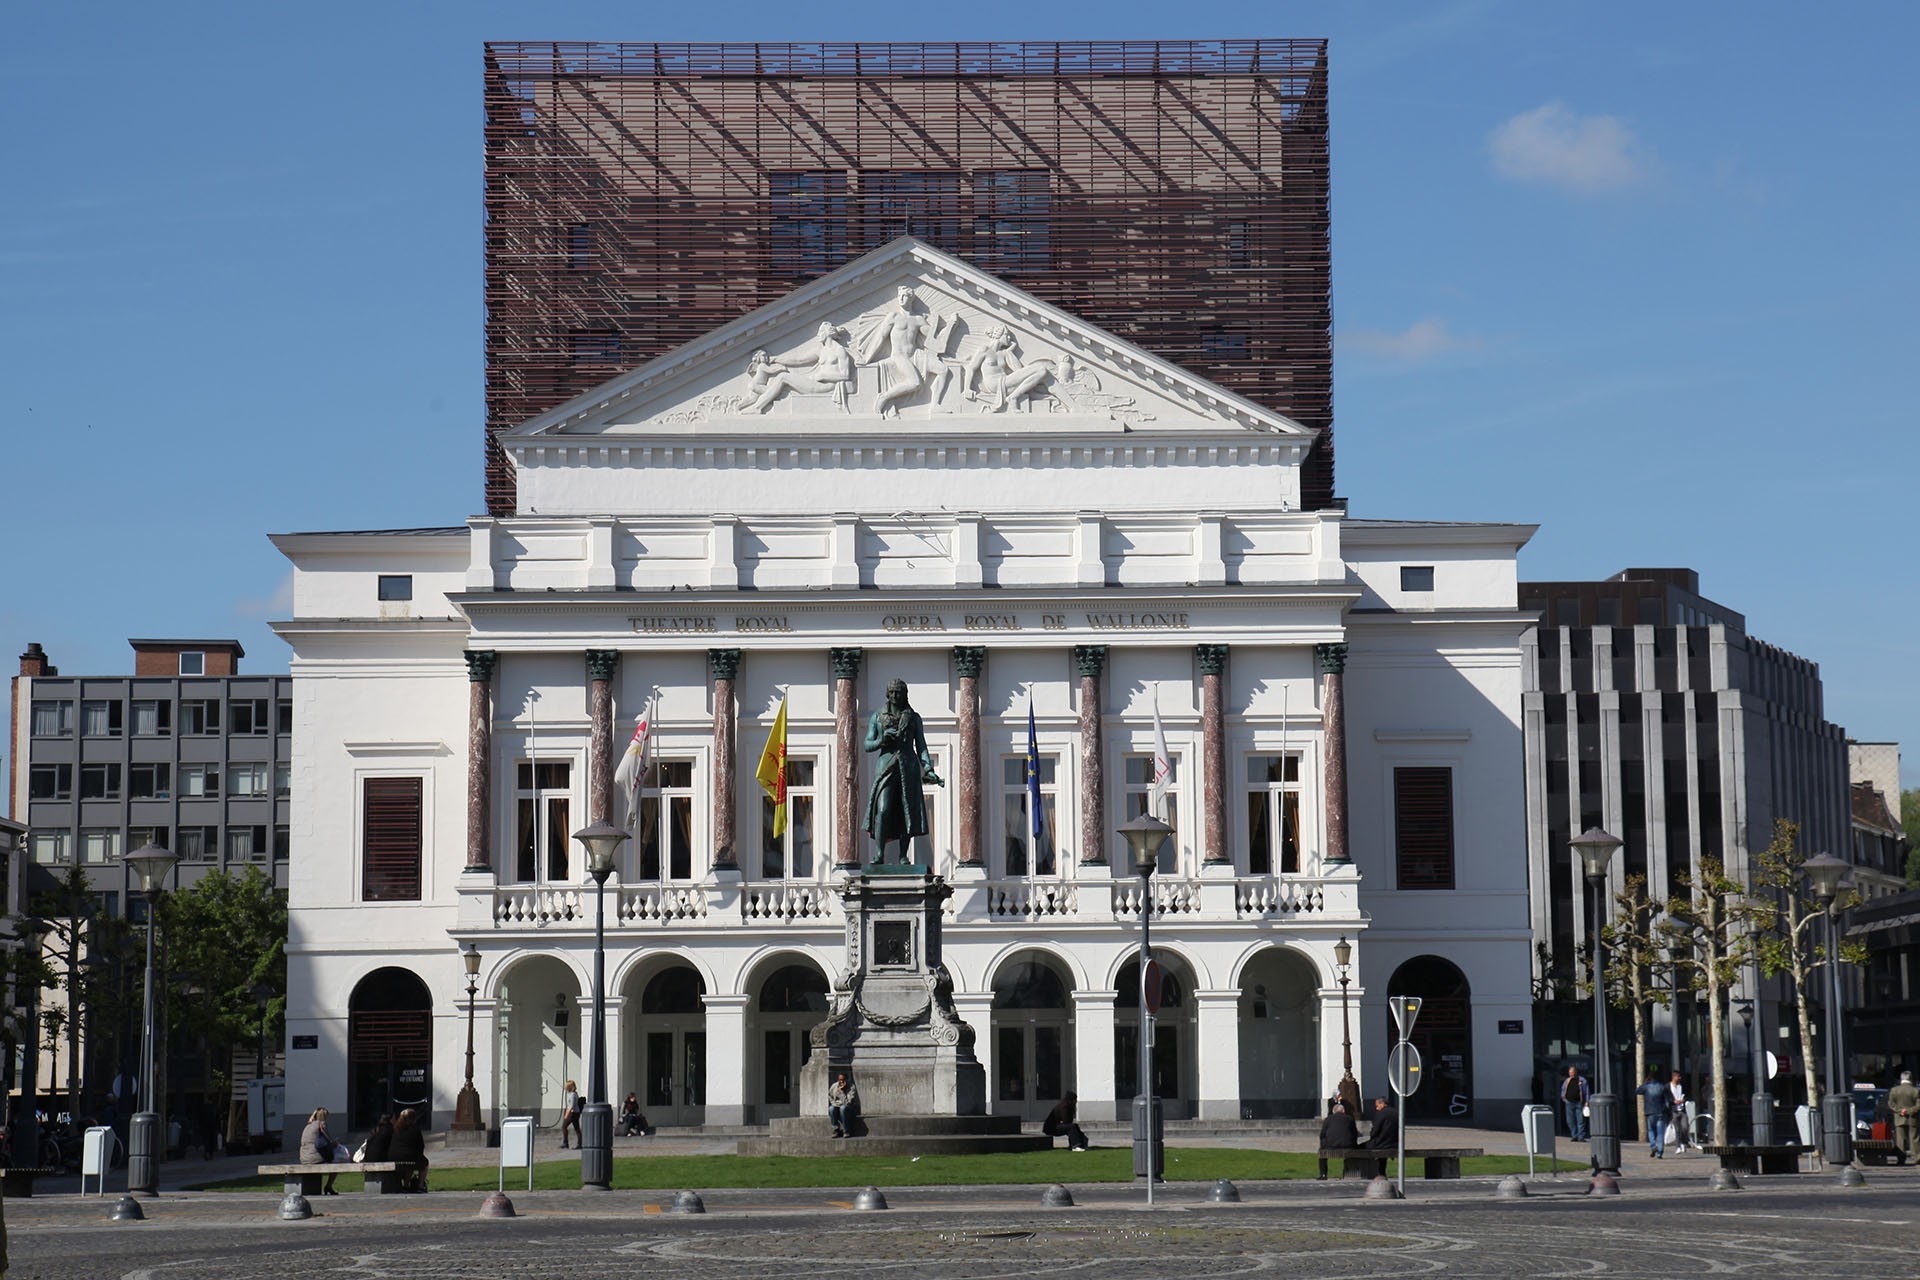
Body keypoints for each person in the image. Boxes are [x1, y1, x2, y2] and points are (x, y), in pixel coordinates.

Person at [863, 679, 943, 863]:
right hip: (886, 766)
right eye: (892, 692)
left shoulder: (914, 718)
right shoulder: (877, 716)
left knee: (907, 809)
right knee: (883, 809)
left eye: (899, 692)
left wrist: (928, 768)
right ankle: (880, 854)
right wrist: (882, 740)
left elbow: (921, 745)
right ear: (887, 694)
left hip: (908, 766)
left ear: (905, 694)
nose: (895, 696)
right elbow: (868, 744)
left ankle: (903, 855)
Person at [298, 1107, 341, 1196]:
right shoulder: (321, 1124)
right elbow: (328, 1142)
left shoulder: (308, 1126)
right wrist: (335, 1143)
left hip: (304, 1158)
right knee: (337, 1163)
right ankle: (328, 1186)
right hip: (315, 1158)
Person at [1317, 1097, 1360, 1180]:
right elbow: (1355, 1133)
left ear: (1333, 1112)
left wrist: (1323, 1145)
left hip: (1331, 1145)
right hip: (1347, 1145)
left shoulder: (1328, 1119)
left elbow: (1322, 1135)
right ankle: (1350, 1171)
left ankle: (1323, 1174)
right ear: (1343, 1111)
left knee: (1321, 1153)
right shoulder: (1349, 1119)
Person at [389, 1108, 428, 1192]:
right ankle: (420, 1186)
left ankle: (406, 1185)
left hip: (394, 1156)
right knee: (424, 1162)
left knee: (409, 1161)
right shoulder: (415, 1130)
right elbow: (420, 1146)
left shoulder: (395, 1129)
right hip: (410, 1156)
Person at [1635, 1070, 1671, 1159]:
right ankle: (1660, 1152)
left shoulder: (1646, 1086)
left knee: (1651, 1130)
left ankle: (1653, 1146)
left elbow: (1637, 1091)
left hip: (1650, 1112)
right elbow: (1667, 1102)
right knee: (1660, 1133)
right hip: (1660, 1112)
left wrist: (1645, 1083)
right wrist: (1666, 1110)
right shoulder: (1662, 1087)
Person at [1887, 1070, 1920, 1165]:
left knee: (1900, 1139)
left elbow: (1891, 1103)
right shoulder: (1915, 1090)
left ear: (1901, 1079)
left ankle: (1901, 1158)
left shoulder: (1894, 1090)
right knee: (1914, 1138)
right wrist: (1909, 1111)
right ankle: (1917, 1157)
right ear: (1910, 1078)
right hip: (1913, 1118)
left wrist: (1900, 1110)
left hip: (1899, 1117)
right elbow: (1918, 1105)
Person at [1562, 1066, 1590, 1142]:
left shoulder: (1582, 1080)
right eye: (1570, 1073)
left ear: (1575, 1072)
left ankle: (1581, 1136)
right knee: (1570, 1120)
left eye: (1572, 1072)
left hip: (1579, 1102)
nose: (1571, 1074)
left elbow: (1586, 1092)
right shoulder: (1567, 1081)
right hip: (1569, 1102)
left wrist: (1587, 1102)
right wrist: (1564, 1099)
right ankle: (1574, 1135)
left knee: (1580, 1120)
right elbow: (1563, 1089)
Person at [827, 1072, 859, 1139]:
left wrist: (841, 1092)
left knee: (843, 1108)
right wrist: (834, 1103)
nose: (841, 1081)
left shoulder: (851, 1087)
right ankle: (836, 1129)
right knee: (831, 1109)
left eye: (843, 1080)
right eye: (840, 1080)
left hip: (848, 1108)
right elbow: (830, 1096)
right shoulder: (834, 1086)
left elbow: (847, 1102)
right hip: (837, 1105)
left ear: (846, 1079)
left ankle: (846, 1130)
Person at [1666, 1072, 1689, 1153]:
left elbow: (1686, 1094)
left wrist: (1683, 1099)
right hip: (1674, 1110)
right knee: (1677, 1129)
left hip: (1682, 1110)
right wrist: (1673, 1101)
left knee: (1685, 1127)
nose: (1680, 1078)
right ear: (1674, 1077)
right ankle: (1678, 1146)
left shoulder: (1681, 1086)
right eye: (1678, 1076)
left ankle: (1683, 1142)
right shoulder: (1668, 1086)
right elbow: (1667, 1097)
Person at [559, 1079, 582, 1149]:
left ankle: (565, 1143)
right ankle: (580, 1143)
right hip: (575, 1113)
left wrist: (566, 1115)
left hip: (572, 1113)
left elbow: (571, 1106)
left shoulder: (572, 1095)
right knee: (577, 1128)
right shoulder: (573, 1094)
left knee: (564, 1127)